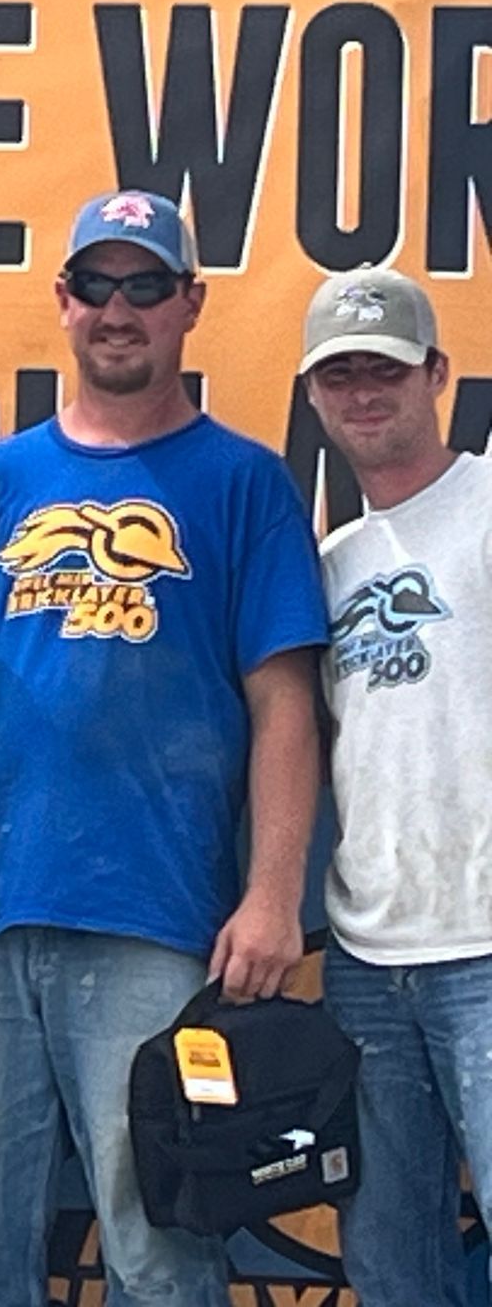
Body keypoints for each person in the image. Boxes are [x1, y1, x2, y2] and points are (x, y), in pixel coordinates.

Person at [0, 189, 327, 1307]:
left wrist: (269, 896)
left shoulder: (244, 483)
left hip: (156, 922)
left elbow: (285, 705)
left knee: (159, 1251)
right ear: (62, 303)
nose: (119, 309)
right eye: (97, 285)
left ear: (189, 306)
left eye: (146, 286)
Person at [299, 266, 492, 1306]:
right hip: (368, 964)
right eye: (341, 375)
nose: (365, 392)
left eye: (387, 369)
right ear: (316, 397)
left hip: (488, 954)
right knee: (390, 1265)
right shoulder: (328, 564)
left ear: (440, 377)